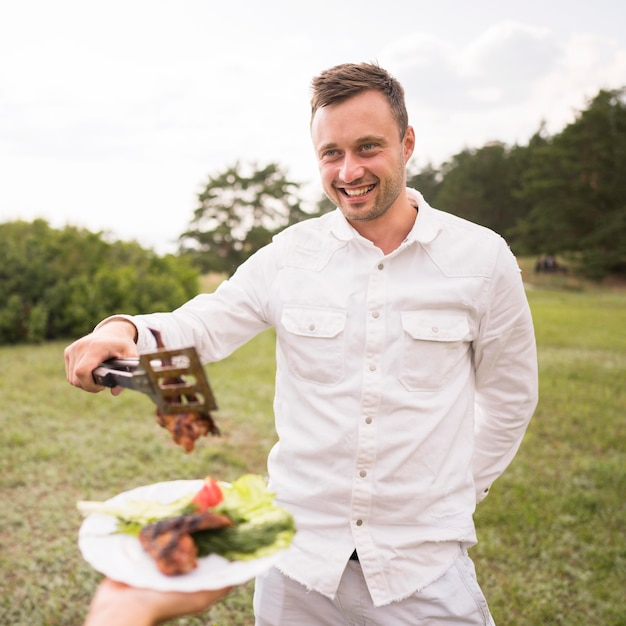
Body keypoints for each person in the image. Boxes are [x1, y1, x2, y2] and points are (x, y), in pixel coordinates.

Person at [66, 62, 538, 625]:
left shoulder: (482, 259)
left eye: (368, 147)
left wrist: (460, 491)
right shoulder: (290, 255)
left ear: (407, 143)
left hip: (424, 568)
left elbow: (509, 399)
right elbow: (206, 323)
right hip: (298, 566)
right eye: (331, 153)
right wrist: (123, 329)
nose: (349, 170)